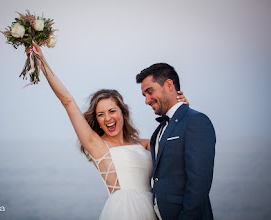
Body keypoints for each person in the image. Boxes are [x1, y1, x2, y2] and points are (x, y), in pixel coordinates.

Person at [26, 42, 188, 219]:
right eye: (101, 115)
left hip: (154, 211)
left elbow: (177, 149)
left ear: (122, 113)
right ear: (97, 121)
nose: (108, 118)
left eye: (112, 111)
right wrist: (41, 61)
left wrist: (181, 110)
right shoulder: (98, 146)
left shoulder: (145, 144)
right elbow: (68, 101)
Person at [136, 63, 216, 220]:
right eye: (144, 95)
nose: (146, 101)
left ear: (168, 85)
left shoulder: (196, 121)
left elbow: (199, 184)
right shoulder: (159, 130)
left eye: (149, 92)